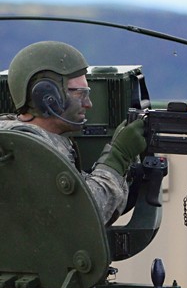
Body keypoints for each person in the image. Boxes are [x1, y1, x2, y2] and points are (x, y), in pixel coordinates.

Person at [1, 40, 146, 224]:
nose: (88, 104)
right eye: (80, 94)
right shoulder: (28, 149)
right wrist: (118, 157)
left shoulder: (22, 138)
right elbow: (83, 216)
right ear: (46, 96)